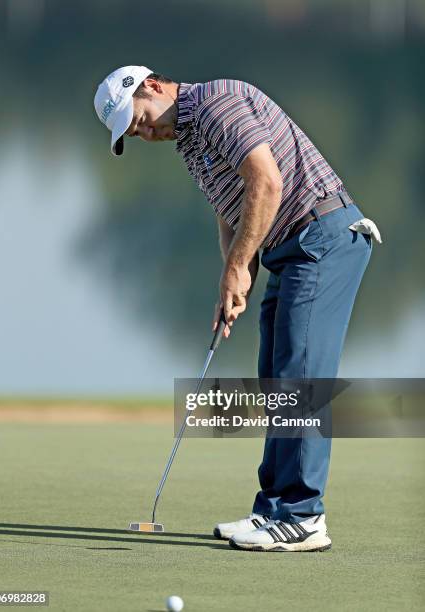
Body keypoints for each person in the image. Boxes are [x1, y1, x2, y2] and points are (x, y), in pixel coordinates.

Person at [94, 65, 380, 552]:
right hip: (290, 249)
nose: (141, 133)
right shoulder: (189, 139)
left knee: (299, 378)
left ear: (152, 87)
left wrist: (239, 268)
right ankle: (273, 509)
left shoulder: (216, 102)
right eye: (130, 133)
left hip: (323, 237)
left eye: (137, 120)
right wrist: (232, 275)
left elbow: (265, 183)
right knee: (276, 378)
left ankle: (302, 515)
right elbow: (228, 206)